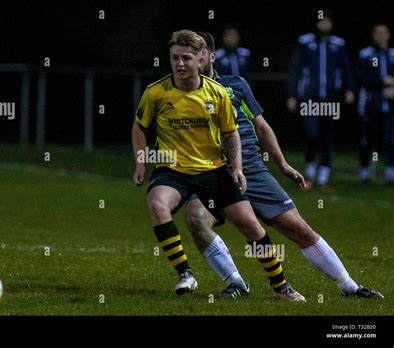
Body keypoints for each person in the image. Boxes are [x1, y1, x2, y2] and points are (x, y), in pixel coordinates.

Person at [185, 31, 383, 300]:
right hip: (211, 173)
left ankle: (349, 286)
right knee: (196, 218)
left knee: (298, 228)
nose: (190, 62)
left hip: (252, 168)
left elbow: (263, 128)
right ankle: (235, 283)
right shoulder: (180, 94)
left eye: (197, 55)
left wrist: (284, 165)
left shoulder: (236, 85)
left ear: (210, 56)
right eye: (185, 57)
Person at [132, 30, 303, 301]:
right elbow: (140, 127)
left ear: (200, 58)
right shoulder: (156, 92)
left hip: (212, 169)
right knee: (157, 202)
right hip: (172, 170)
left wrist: (236, 168)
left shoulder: (217, 93)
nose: (180, 64)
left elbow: (231, 133)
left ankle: (281, 286)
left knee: (252, 227)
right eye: (175, 58)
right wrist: (141, 161)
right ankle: (185, 273)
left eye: (186, 58)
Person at [287, 13, 355, 187]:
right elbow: (296, 69)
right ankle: (309, 172)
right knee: (312, 134)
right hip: (310, 98)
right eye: (321, 21)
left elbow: (346, 69)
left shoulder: (338, 44)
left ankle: (324, 176)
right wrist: (292, 95)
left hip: (331, 99)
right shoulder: (305, 42)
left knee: (328, 136)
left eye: (327, 21)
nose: (324, 24)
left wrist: (349, 89)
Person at [357, 23, 394, 184]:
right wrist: (381, 82)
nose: (381, 36)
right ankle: (365, 171)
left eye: (384, 32)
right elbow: (361, 77)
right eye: (378, 33)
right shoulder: (366, 54)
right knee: (368, 139)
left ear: (388, 35)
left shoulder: (393, 54)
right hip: (371, 104)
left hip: (391, 105)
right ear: (373, 35)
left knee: (390, 138)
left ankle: (390, 172)